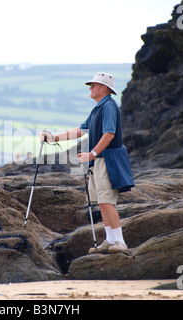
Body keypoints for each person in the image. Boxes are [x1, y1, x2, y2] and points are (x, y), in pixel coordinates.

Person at [40, 72, 128, 254]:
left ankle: (120, 242)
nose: (90, 88)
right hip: (98, 161)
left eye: (94, 85)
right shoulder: (98, 108)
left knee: (107, 202)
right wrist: (53, 138)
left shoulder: (109, 106)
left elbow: (109, 134)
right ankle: (110, 240)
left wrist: (92, 154)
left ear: (104, 88)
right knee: (102, 203)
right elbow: (80, 131)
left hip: (107, 160)